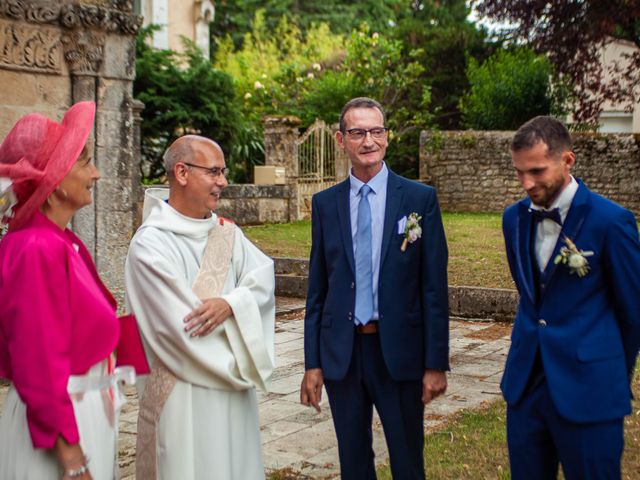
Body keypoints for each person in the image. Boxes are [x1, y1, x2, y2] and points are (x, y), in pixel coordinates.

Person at [300, 97, 450, 479]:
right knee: (353, 462)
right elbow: (318, 290)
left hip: (398, 351)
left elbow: (433, 288)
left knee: (407, 461)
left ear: (387, 136)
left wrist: (435, 363)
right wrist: (313, 363)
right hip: (343, 355)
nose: (369, 140)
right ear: (341, 139)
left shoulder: (418, 199)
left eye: (376, 131)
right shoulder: (324, 204)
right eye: (358, 132)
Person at [124, 135, 275, 479]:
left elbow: (262, 278)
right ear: (181, 172)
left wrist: (232, 303)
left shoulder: (226, 234)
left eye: (223, 172)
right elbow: (182, 325)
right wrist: (242, 354)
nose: (223, 181)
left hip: (233, 396)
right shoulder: (150, 245)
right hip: (182, 393)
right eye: (214, 172)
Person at [501, 116, 640, 479]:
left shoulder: (612, 222)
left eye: (536, 171)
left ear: (567, 161)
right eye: (519, 173)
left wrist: (606, 374)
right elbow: (532, 295)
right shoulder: (512, 219)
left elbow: (633, 314)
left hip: (590, 392)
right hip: (525, 388)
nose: (527, 183)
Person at [0, 102, 131, 479]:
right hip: (60, 422)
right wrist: (72, 459)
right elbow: (37, 361)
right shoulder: (37, 249)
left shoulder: (59, 240)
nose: (97, 173)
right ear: (54, 183)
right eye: (84, 162)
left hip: (81, 408)